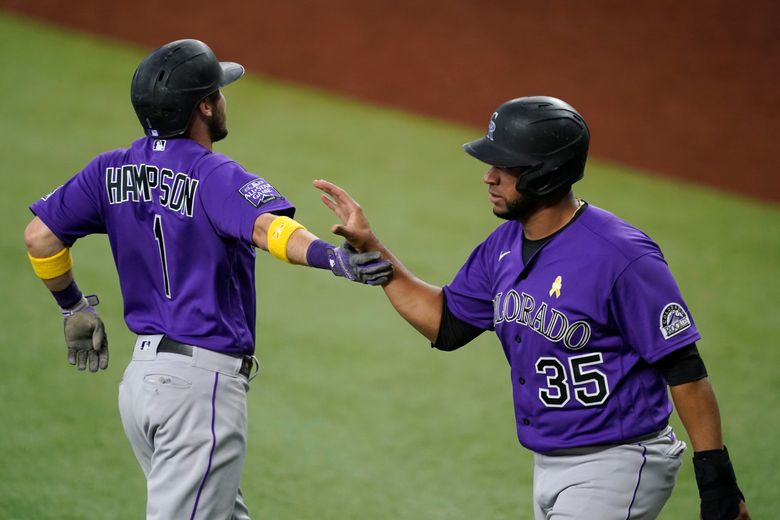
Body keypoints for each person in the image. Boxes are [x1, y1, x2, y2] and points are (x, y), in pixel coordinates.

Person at [314, 96, 751, 520]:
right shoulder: (502, 246)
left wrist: (718, 483)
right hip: (549, 463)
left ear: (545, 173)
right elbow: (446, 325)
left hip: (618, 462)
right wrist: (377, 256)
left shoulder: (620, 256)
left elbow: (685, 370)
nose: (489, 177)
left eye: (505, 167)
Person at [23, 39, 391, 520]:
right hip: (197, 390)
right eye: (218, 91)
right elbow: (268, 228)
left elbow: (40, 237)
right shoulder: (213, 172)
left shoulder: (108, 168)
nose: (223, 99)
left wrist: (72, 307)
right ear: (204, 106)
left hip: (141, 387)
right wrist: (333, 260)